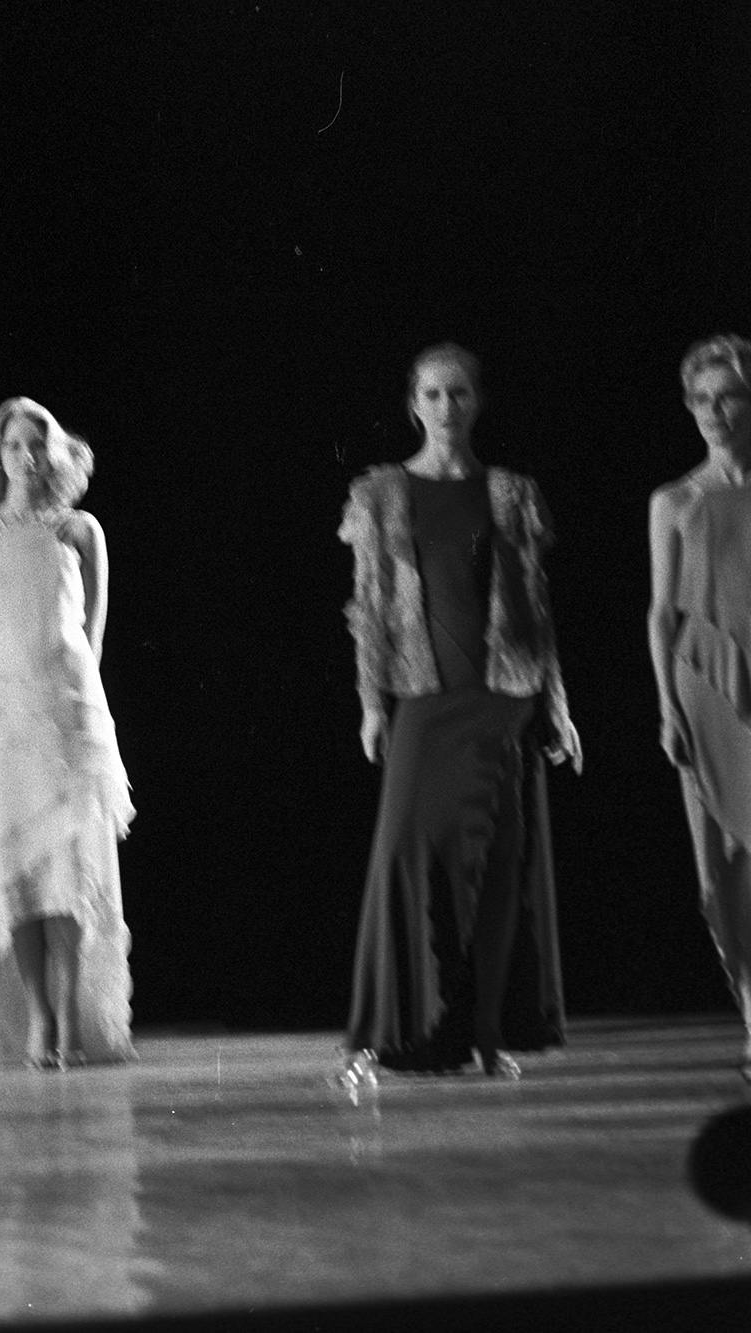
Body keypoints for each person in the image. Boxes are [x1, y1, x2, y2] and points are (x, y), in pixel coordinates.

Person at [339, 343, 579, 1085]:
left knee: (499, 865)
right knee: (409, 854)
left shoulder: (511, 492)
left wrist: (558, 707)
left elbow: (537, 613)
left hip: (505, 693)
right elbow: (370, 608)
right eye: (434, 395)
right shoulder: (380, 493)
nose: (448, 408)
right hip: (424, 693)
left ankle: (484, 1036)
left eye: (461, 394)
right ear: (415, 403)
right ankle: (392, 1032)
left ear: (478, 402)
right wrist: (372, 704)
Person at [0, 397, 135, 1069]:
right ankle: (41, 1023)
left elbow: (94, 632)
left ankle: (74, 1018)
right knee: (14, 868)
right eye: (13, 444)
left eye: (36, 443)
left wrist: (77, 708)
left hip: (68, 704)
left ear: (55, 453)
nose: (25, 455)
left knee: (68, 867)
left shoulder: (79, 529)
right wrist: (2, 701)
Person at [648, 334, 751, 1081]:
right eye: (702, 399)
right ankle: (750, 1009)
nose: (715, 411)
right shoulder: (674, 498)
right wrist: (665, 707)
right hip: (702, 686)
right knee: (718, 870)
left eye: (730, 395)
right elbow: (659, 611)